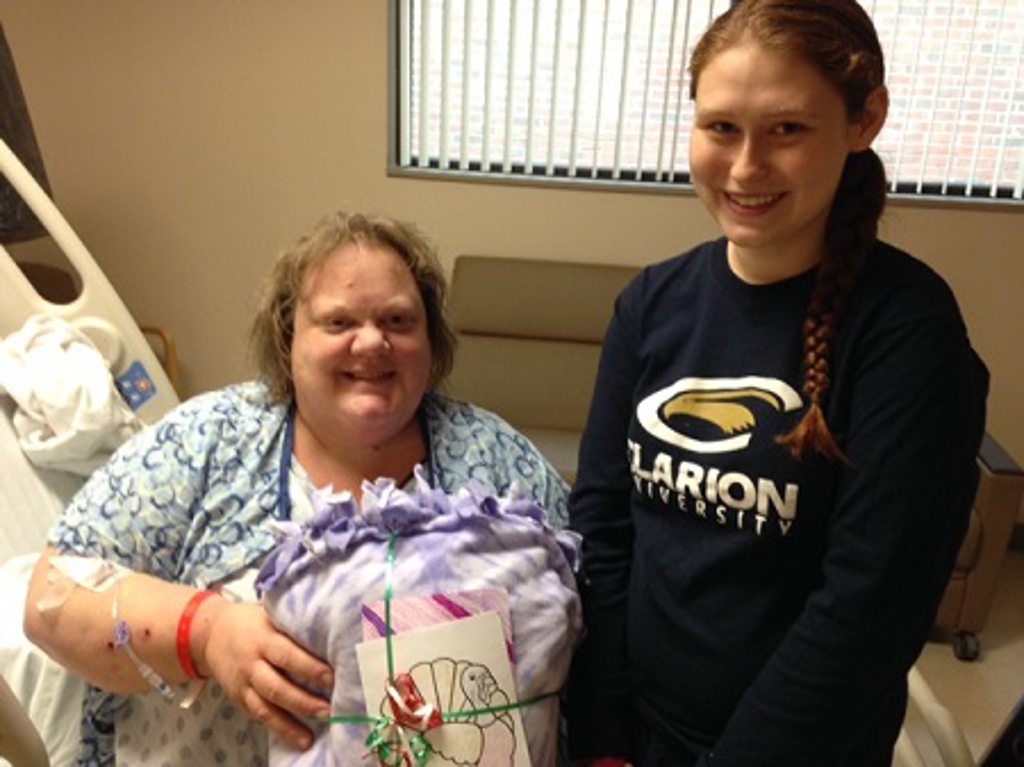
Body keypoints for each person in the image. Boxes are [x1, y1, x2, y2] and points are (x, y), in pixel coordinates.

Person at [565, 2, 989, 766]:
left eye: (788, 129)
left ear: (865, 120)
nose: (746, 166)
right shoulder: (651, 305)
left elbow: (868, 610)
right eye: (721, 127)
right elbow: (601, 529)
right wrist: (600, 735)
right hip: (635, 736)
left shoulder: (908, 334)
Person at [23, 210, 569, 766]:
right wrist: (205, 632)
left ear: (431, 340)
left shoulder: (498, 464)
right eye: (338, 323)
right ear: (288, 339)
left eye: (399, 321)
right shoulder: (204, 442)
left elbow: (589, 616)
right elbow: (52, 600)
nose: (372, 342)